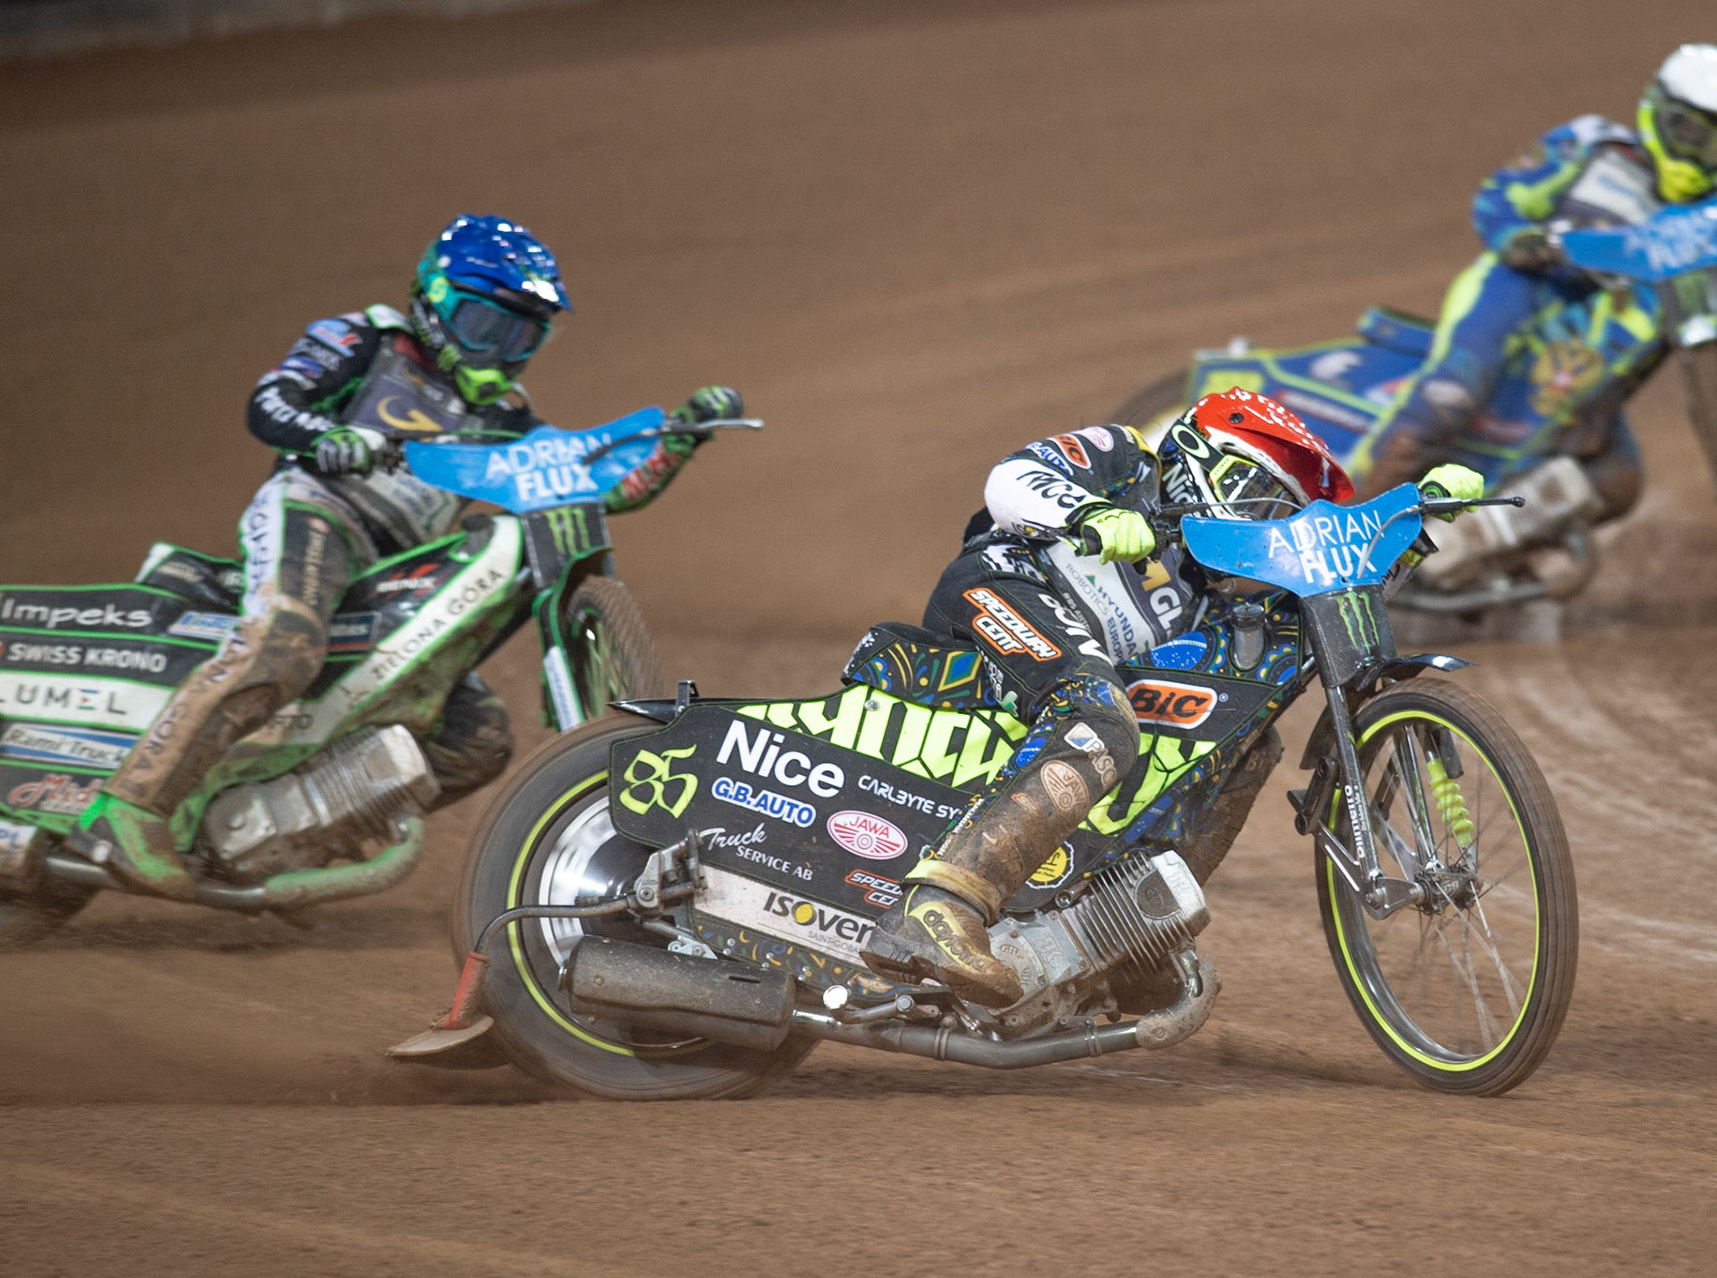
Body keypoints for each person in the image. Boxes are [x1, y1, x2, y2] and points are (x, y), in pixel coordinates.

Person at [68, 214, 742, 899]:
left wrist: (675, 444)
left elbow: (585, 485)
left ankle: (277, 840)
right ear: (435, 302)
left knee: (475, 737)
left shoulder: (507, 415)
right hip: (320, 512)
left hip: (403, 570)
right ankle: (130, 806)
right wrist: (328, 436)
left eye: (521, 335)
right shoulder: (366, 339)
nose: (501, 351)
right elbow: (271, 401)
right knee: (285, 640)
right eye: (486, 326)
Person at [860, 388, 1479, 1005]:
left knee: (1246, 739)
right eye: (1255, 495)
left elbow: (1330, 603)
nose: (1262, 522)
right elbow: (1012, 478)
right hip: (1003, 585)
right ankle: (938, 906)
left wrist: (1413, 525)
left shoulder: (1218, 586)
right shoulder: (1131, 460)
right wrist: (1090, 513)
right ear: (1201, 458)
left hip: (1076, 661)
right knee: (1100, 717)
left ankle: (1125, 942)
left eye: (1278, 513)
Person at [1351, 43, 1717, 509]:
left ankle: (1488, 551)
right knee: (1443, 407)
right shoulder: (1593, 145)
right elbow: (1501, 194)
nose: (1697, 151)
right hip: (1523, 291)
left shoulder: (1715, 215)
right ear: (1658, 109)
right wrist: (1516, 238)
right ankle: (1340, 524)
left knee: (1619, 481)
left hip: (1592, 364)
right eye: (1689, 130)